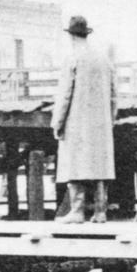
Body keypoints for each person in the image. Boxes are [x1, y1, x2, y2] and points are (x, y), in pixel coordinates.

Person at [51, 15, 117, 223]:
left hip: (77, 121)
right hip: (101, 122)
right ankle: (100, 211)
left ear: (71, 36)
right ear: (86, 34)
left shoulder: (72, 58)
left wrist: (57, 122)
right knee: (99, 164)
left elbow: (64, 94)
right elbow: (115, 94)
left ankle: (77, 211)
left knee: (74, 163)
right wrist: (111, 119)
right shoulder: (104, 59)